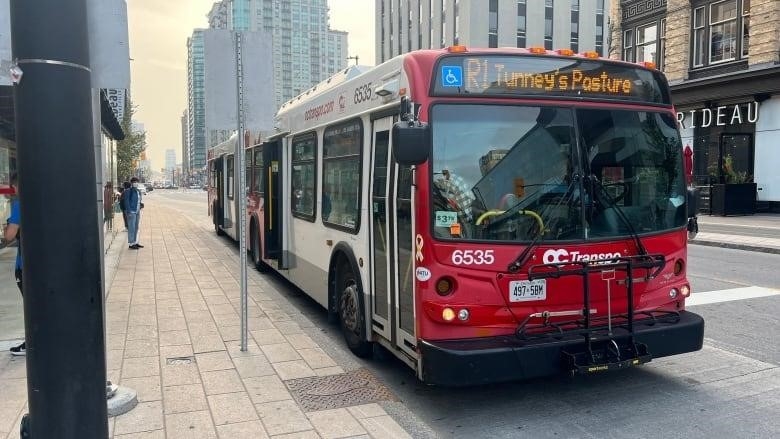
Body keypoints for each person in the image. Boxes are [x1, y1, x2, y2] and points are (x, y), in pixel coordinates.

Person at [5, 173, 24, 355]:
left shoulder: (20, 205)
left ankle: (32, 343)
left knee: (31, 306)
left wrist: (9, 223)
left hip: (24, 264)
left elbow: (9, 235)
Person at [122, 177, 144, 250]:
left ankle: (135, 242)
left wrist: (140, 205)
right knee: (131, 227)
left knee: (136, 227)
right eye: (134, 182)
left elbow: (138, 200)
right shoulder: (128, 191)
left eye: (137, 182)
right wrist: (129, 211)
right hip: (132, 212)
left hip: (137, 211)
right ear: (131, 183)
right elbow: (126, 201)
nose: (136, 183)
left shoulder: (138, 191)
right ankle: (131, 244)